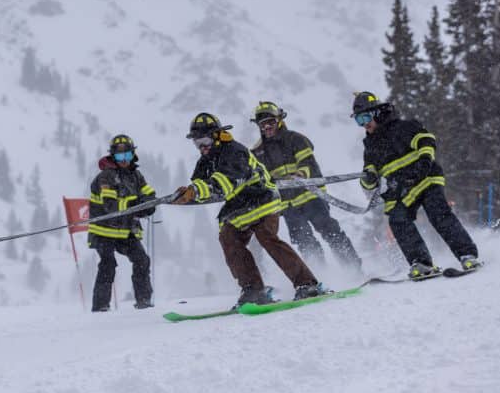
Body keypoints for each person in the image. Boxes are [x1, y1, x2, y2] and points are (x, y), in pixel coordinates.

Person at [171, 113, 325, 306]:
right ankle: (253, 289)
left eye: (204, 140)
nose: (202, 147)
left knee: (267, 237)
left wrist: (196, 190)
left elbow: (226, 181)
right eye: (197, 142)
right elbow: (202, 186)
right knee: (228, 238)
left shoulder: (234, 151)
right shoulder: (205, 161)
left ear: (217, 135)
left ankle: (307, 284)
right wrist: (187, 196)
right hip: (238, 206)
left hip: (262, 198)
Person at [351, 92, 481, 278]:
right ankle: (421, 263)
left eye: (365, 117)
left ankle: (467, 254)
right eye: (358, 120)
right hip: (401, 188)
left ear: (377, 113)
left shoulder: (404, 127)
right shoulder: (370, 145)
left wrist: (424, 162)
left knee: (438, 214)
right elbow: (368, 174)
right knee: (397, 220)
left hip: (425, 178)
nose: (363, 123)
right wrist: (369, 178)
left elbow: (426, 140)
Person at [249, 101, 361, 271]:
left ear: (279, 120)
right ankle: (320, 274)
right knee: (303, 239)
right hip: (287, 205)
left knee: (330, 230)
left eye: (270, 122)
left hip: (311, 196)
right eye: (263, 125)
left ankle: (353, 268)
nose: (267, 127)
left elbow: (307, 162)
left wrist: (300, 174)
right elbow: (261, 177)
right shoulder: (257, 152)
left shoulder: (295, 139)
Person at [87, 134, 156, 311]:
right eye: (119, 156)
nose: (124, 160)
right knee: (108, 264)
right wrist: (135, 205)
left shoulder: (136, 175)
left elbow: (148, 194)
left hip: (125, 231)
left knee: (142, 260)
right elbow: (111, 206)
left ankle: (144, 301)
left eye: (127, 156)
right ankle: (100, 307)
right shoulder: (106, 177)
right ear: (113, 156)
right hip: (104, 231)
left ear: (133, 155)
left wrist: (149, 204)